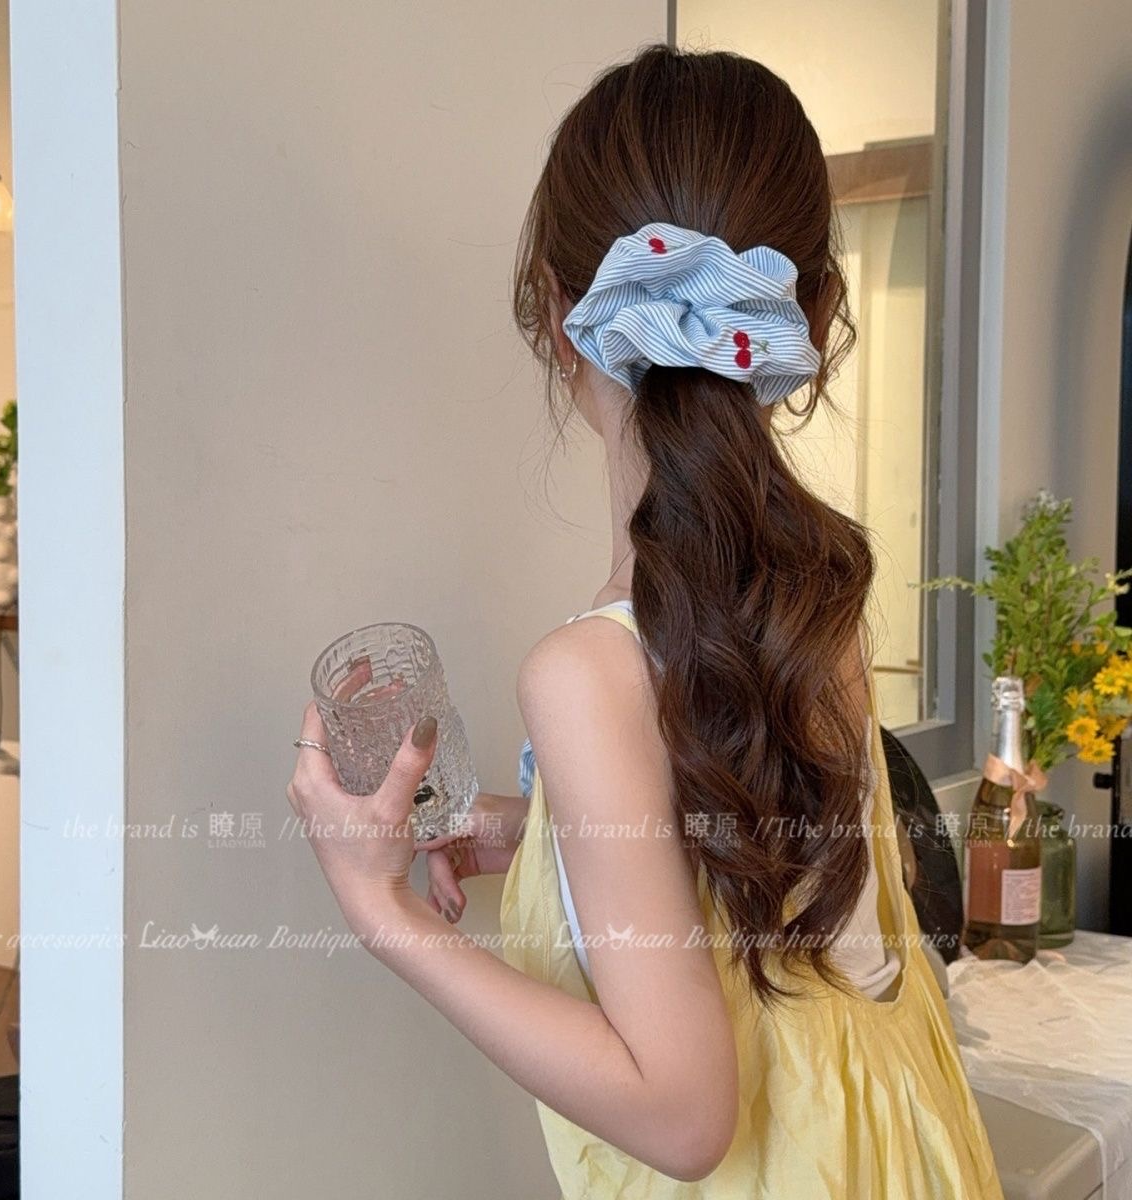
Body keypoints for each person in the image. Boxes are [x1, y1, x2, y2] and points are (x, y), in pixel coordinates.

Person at [287, 42, 1003, 1197]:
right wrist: (546, 832)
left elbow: (683, 1117)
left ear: (555, 311)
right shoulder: (817, 593)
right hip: (896, 1151)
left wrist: (381, 910)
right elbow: (749, 869)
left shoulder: (587, 672)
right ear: (815, 313)